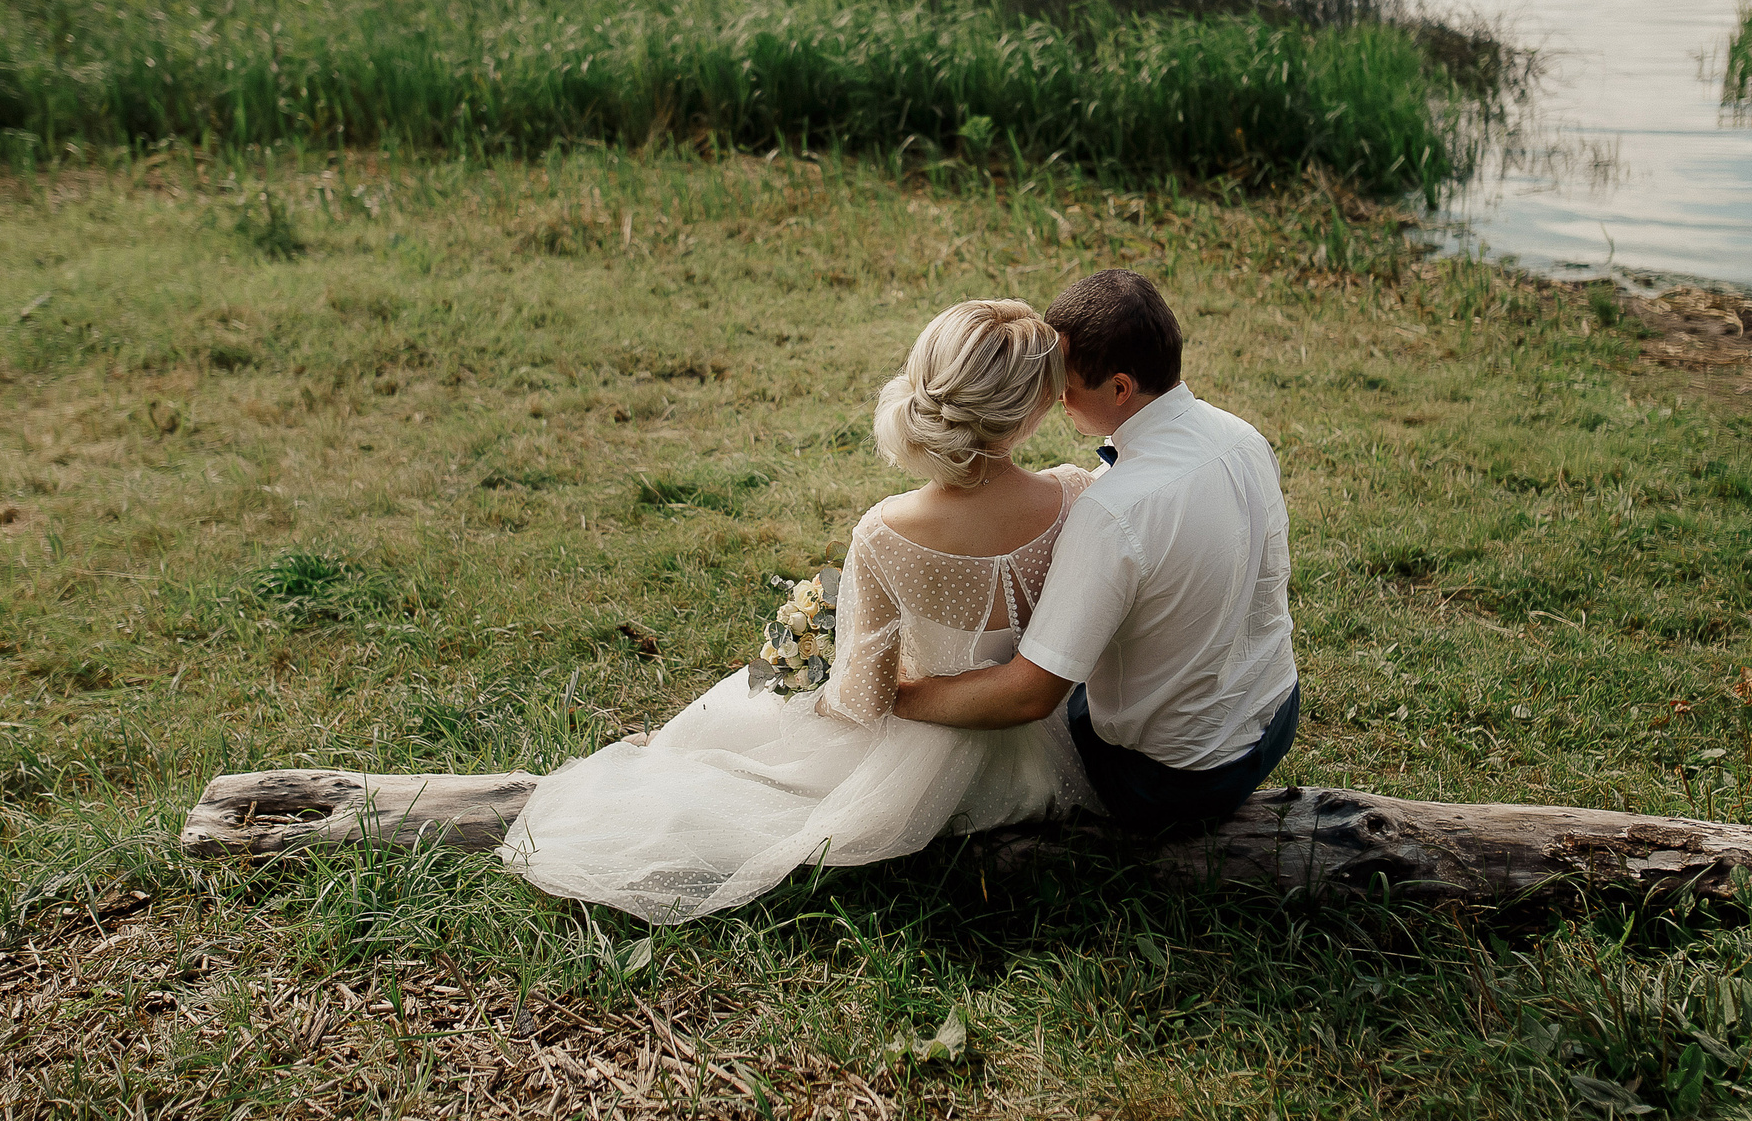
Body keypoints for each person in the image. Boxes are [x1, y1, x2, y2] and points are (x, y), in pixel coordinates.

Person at [498, 299, 1106, 924]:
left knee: (749, 717)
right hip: (1045, 747)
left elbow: (864, 700)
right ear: (1033, 410)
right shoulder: (1077, 496)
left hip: (925, 763)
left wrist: (814, 685)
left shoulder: (887, 532)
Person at [891, 270, 1301, 832]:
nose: (1055, 395)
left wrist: (901, 694)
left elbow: (1029, 698)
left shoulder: (1111, 514)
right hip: (1275, 717)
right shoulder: (1242, 436)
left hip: (1171, 780)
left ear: (1121, 388)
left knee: (1022, 675)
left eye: (1066, 379)